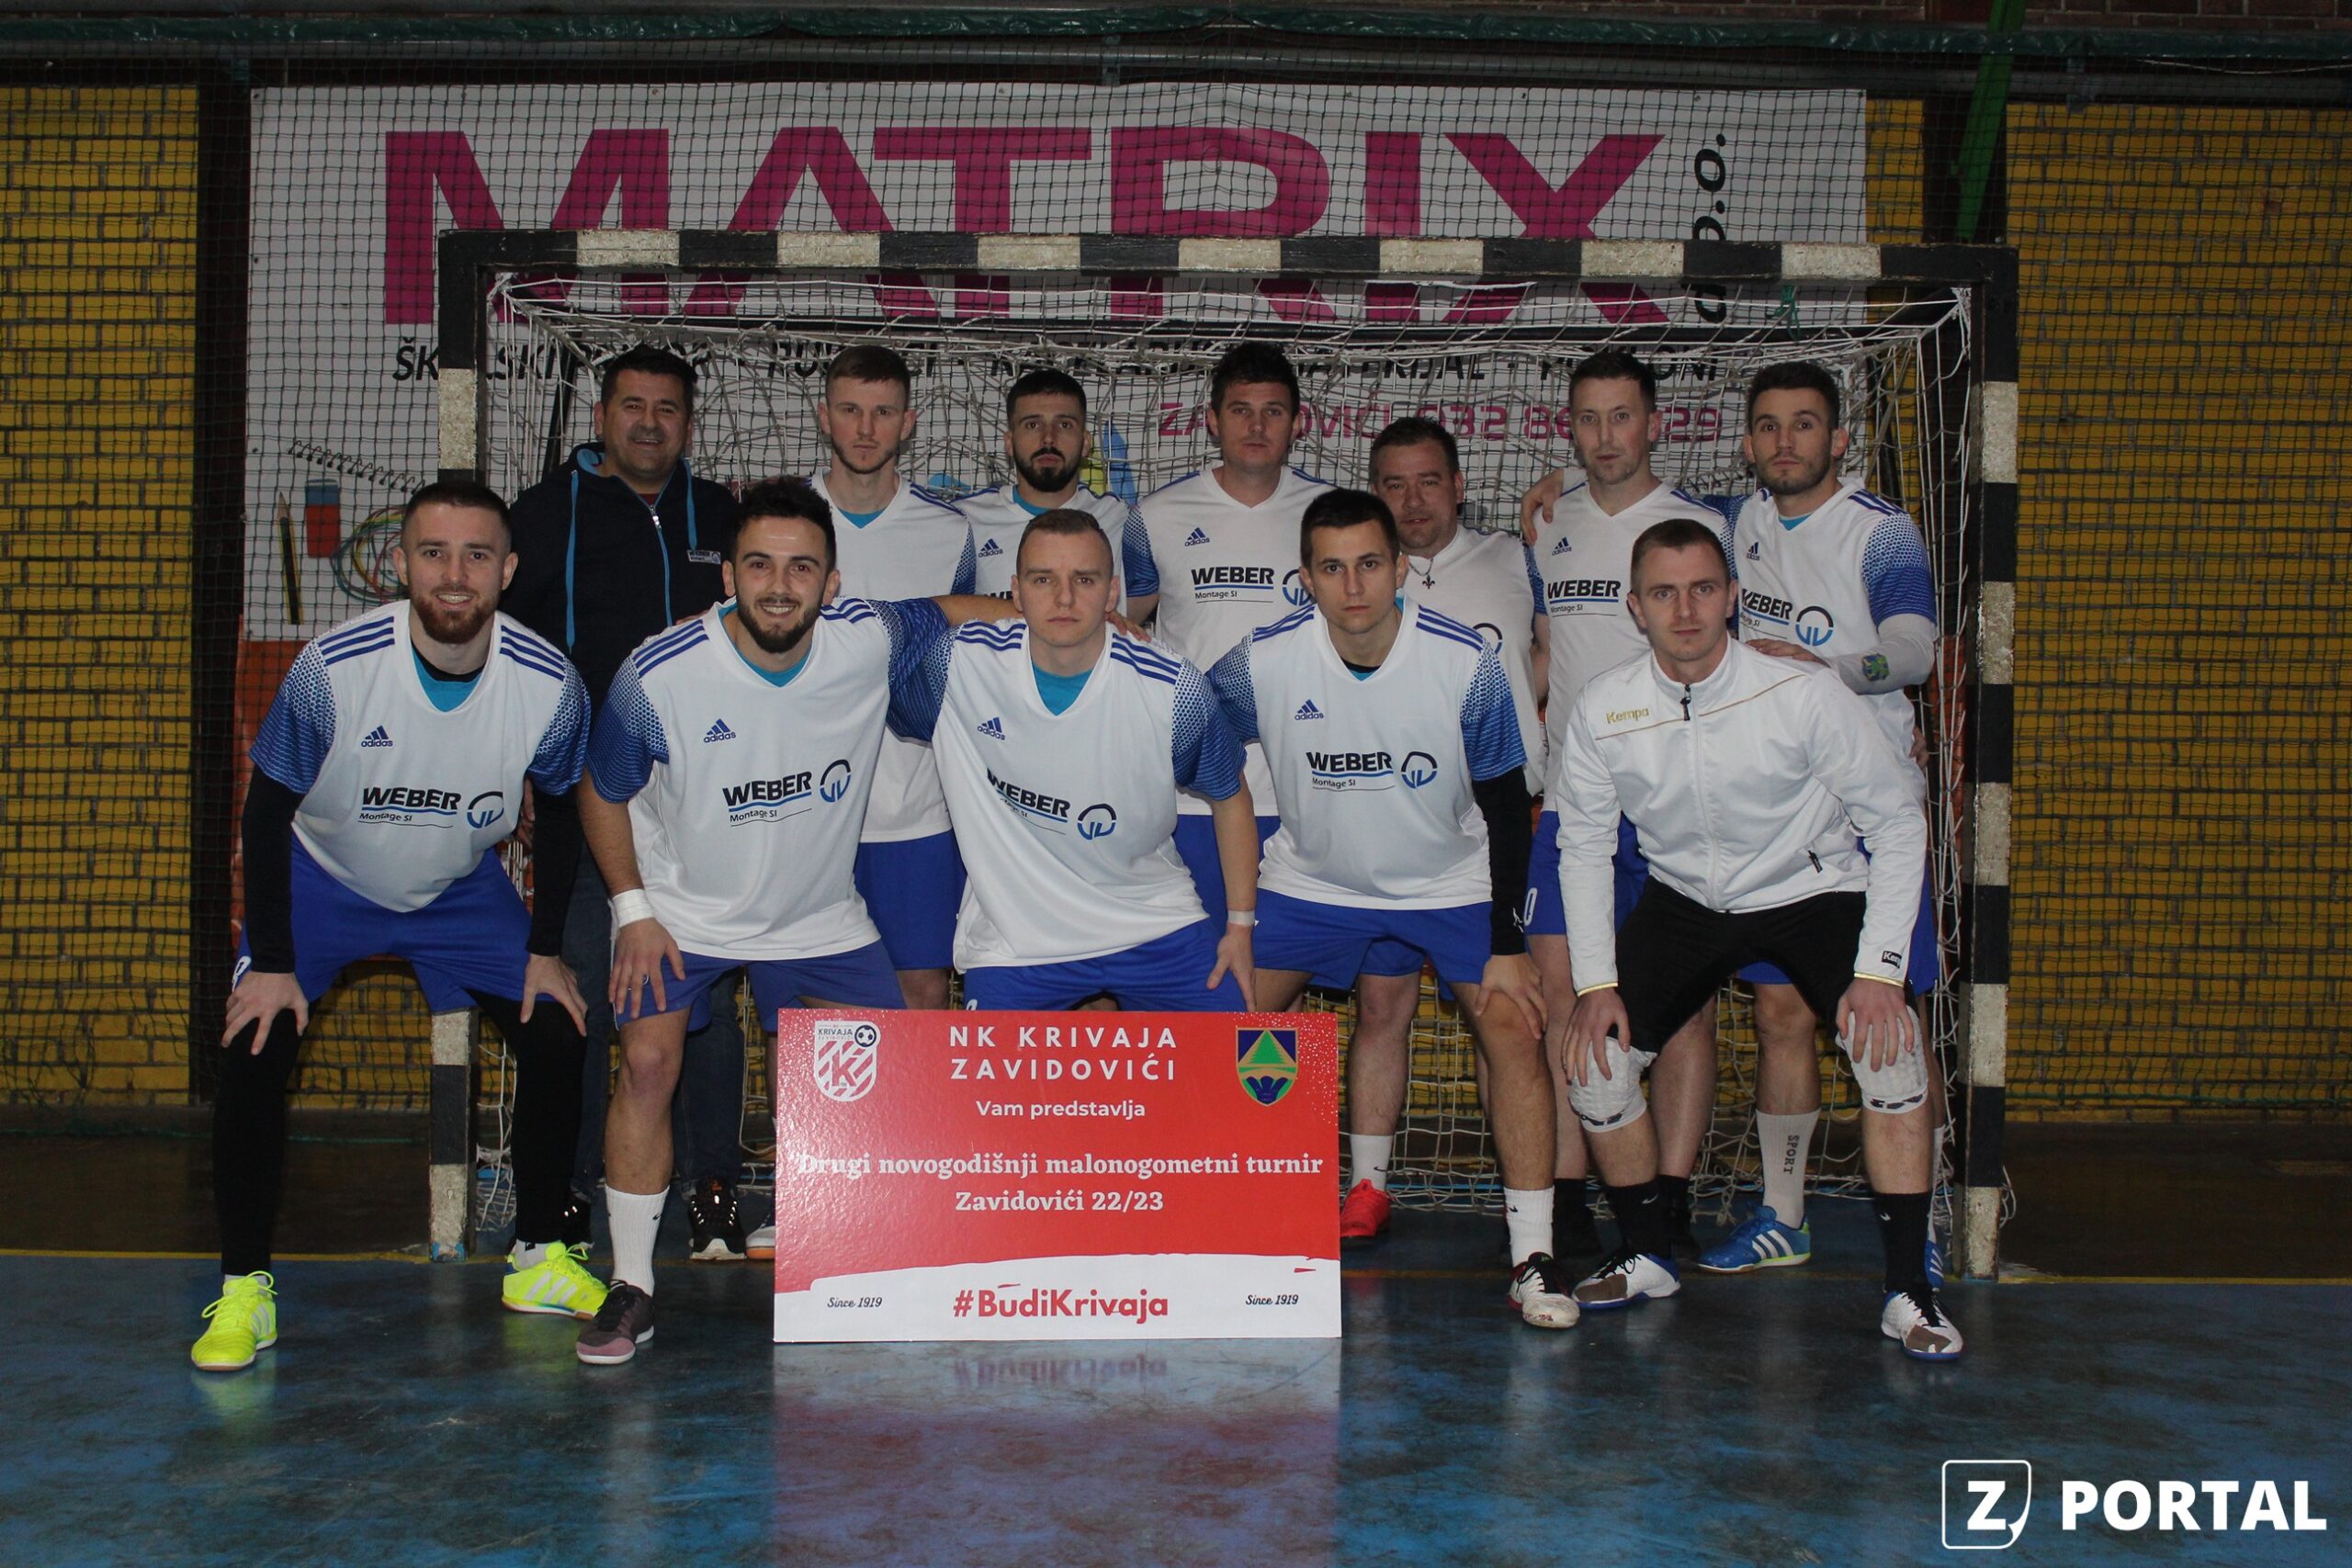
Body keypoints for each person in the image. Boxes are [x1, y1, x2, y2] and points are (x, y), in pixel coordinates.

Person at [572, 479, 1005, 1364]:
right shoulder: (660, 672)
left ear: (832, 583)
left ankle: (865, 1262)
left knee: (892, 1079)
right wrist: (634, 910)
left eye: (802, 567)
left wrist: (1090, 622)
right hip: (683, 912)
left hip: (819, 918)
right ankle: (632, 1285)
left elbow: (958, 609)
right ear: (728, 575)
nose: (780, 585)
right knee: (648, 1064)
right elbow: (601, 787)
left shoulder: (865, 638)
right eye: (761, 565)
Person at [197, 481, 601, 1372]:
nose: (455, 575)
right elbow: (265, 813)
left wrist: (544, 951)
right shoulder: (333, 670)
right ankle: (243, 1289)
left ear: (507, 569)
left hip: (458, 889)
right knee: (255, 1043)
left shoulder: (548, 683)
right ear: (402, 564)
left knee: (558, 1028)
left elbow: (562, 814)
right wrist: (272, 960)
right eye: (434, 553)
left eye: (476, 555)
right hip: (323, 880)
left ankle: (539, 1255)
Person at [1551, 518, 1961, 1358]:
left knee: (1891, 1053)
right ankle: (1648, 1253)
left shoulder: (1802, 693)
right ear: (1635, 607)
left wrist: (1881, 970)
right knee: (1595, 1066)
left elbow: (1895, 820)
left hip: (1812, 889)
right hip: (1685, 901)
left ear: (1732, 596)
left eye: (1704, 589)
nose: (1686, 610)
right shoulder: (1604, 707)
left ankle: (1909, 1293)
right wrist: (1595, 985)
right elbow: (1583, 843)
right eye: (1664, 593)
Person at [1207, 491, 1575, 1331]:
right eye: (1332, 568)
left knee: (1515, 1026)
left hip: (1447, 883)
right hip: (1312, 883)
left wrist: (1507, 942)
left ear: (1401, 568)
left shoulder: (1464, 662)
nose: (1353, 586)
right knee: (1220, 1021)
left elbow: (1504, 803)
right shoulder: (1261, 660)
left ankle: (1533, 1256)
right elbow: (1182, 726)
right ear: (1305, 578)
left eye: (1370, 563)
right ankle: (1215, 1220)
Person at [506, 344, 754, 1266]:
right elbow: (506, 653)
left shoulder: (722, 517)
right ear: (602, 415)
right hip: (588, 804)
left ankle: (713, 1186)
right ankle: (574, 1192)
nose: (650, 423)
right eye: (633, 406)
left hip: (704, 810)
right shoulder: (544, 515)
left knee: (706, 1003)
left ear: (689, 423)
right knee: (584, 997)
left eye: (667, 408)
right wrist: (513, 771)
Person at [1697, 360, 1943, 1277]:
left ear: (1838, 439)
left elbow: (1914, 652)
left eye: (1804, 424)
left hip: (1871, 812)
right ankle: (1784, 1214)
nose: (1785, 441)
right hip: (1781, 816)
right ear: (1748, 442)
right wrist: (1559, 483)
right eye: (1767, 425)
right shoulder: (1738, 522)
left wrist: (1821, 667)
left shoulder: (1878, 531)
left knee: (1890, 1019)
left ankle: (1924, 1215)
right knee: (1779, 1013)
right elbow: (1634, 502)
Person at [1519, 351, 1733, 1258]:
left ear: (1653, 422)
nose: (1605, 436)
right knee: (1563, 998)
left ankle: (1667, 1196)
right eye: (1588, 418)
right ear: (1569, 428)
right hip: (1572, 805)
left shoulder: (1705, 524)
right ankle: (1567, 1198)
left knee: (1681, 1008)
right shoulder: (1546, 522)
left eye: (1621, 416)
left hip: (1675, 806)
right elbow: (1541, 654)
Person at [1326, 417, 1546, 1247]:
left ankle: (1530, 1209)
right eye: (1394, 484)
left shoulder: (1517, 557)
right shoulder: (1360, 578)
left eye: (1428, 481)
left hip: (1500, 825)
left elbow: (1555, 652)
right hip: (1388, 823)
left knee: (1506, 1016)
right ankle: (1368, 1187)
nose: (1412, 500)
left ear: (1459, 486)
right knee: (1382, 1004)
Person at [893, 511, 1257, 1010]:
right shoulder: (958, 664)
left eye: (1084, 580)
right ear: (1015, 591)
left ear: (1111, 594)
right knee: (987, 1067)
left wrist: (1240, 929)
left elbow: (1231, 796)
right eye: (1043, 580)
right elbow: (870, 631)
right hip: (1016, 944)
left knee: (1239, 1050)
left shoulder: (1172, 687)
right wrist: (989, 612)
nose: (1064, 599)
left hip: (1151, 921)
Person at [1124, 343, 1332, 922]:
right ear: (1213, 421)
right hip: (1192, 796)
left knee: (1283, 964)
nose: (1257, 426)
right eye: (1241, 410)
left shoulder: (1334, 514)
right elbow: (1119, 626)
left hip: (1312, 790)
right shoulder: (1156, 516)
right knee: (1205, 960)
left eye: (1273, 411)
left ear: (1297, 423)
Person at [807, 345, 977, 1012]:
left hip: (915, 809)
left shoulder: (949, 531)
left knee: (922, 994)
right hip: (805, 811)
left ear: (908, 423)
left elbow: (961, 660)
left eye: (883, 413)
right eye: (850, 410)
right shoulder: (783, 521)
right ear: (824, 416)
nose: (865, 428)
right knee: (812, 1006)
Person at [959, 367, 1135, 602]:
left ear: (1085, 443)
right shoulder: (964, 521)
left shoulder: (1121, 519)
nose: (1048, 438)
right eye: (1033, 425)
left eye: (1064, 425)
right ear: (1009, 442)